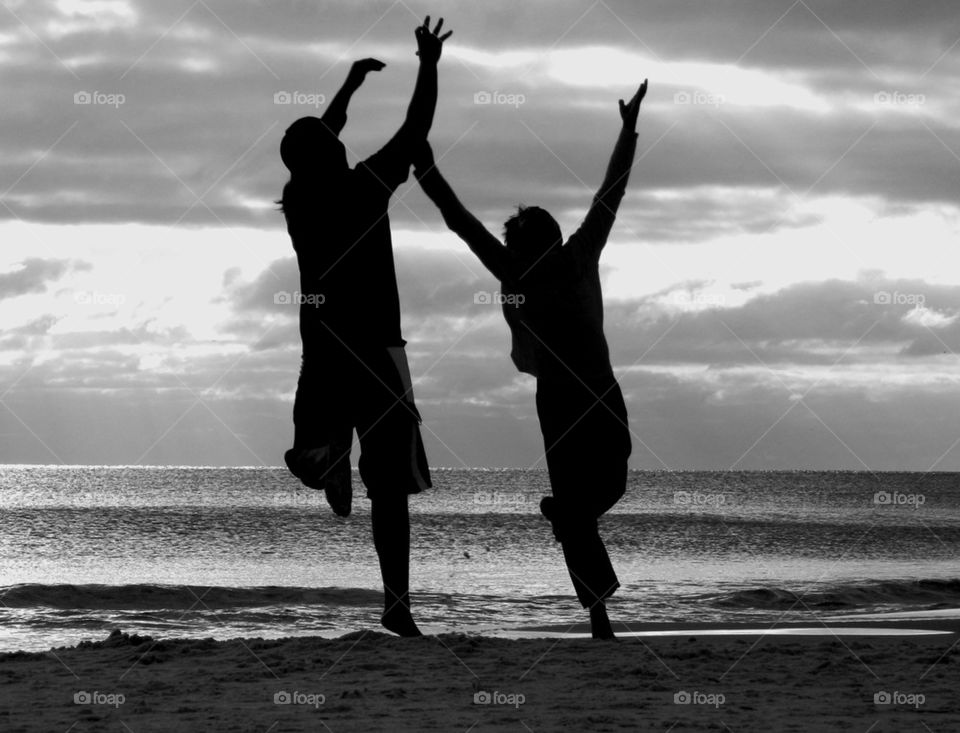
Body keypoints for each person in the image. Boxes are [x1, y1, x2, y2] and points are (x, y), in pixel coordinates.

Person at [413, 80, 648, 639]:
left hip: (589, 390)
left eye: (525, 242)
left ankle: (578, 552)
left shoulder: (570, 257)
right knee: (581, 500)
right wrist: (627, 127)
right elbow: (459, 220)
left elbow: (609, 193)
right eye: (517, 245)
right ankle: (599, 620)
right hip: (570, 396)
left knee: (606, 487)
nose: (521, 251)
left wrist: (627, 130)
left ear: (545, 240)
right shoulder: (524, 269)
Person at [278, 17, 453, 637]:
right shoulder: (362, 190)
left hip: (323, 345)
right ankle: (397, 606)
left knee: (316, 442)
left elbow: (319, 139)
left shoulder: (298, 200)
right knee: (389, 490)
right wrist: (428, 63)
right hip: (379, 351)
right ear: (336, 155)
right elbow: (415, 129)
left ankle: (324, 458)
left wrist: (348, 89)